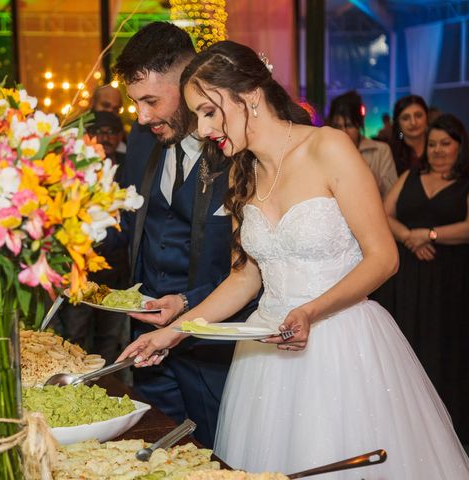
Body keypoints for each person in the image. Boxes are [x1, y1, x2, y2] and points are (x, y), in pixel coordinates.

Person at [118, 40, 469, 477]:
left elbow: (383, 258)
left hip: (343, 346)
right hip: (265, 355)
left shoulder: (329, 148)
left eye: (209, 112)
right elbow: (245, 278)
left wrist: (310, 311)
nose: (205, 129)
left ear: (248, 96)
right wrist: (175, 333)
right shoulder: (240, 172)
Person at [111, 22, 255, 448]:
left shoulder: (239, 149)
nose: (141, 116)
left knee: (217, 457)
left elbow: (257, 268)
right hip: (149, 349)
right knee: (158, 451)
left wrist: (188, 309)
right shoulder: (141, 140)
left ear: (190, 79)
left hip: (215, 352)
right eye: (135, 103)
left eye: (152, 101)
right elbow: (128, 228)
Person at [372, 113, 469, 445]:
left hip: (450, 279)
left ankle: (450, 424)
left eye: (446, 143)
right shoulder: (411, 175)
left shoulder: (466, 180)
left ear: (460, 146)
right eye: (432, 144)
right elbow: (383, 213)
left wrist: (430, 234)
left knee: (446, 344)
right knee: (410, 343)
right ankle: (408, 424)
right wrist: (411, 237)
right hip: (408, 278)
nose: (438, 150)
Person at [54, 111, 130, 366]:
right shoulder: (76, 166)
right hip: (81, 270)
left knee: (110, 338)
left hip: (117, 270)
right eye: (99, 131)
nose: (105, 137)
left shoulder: (129, 166)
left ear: (120, 136)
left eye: (111, 131)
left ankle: (107, 387)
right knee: (75, 334)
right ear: (89, 136)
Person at [328, 91, 397, 196]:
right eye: (338, 126)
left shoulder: (380, 151)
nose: (344, 132)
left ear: (359, 124)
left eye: (350, 125)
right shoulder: (326, 153)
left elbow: (391, 194)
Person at [390, 95, 428, 174]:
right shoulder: (391, 153)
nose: (413, 122)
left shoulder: (438, 146)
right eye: (406, 118)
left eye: (418, 116)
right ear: (398, 124)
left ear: (427, 117)